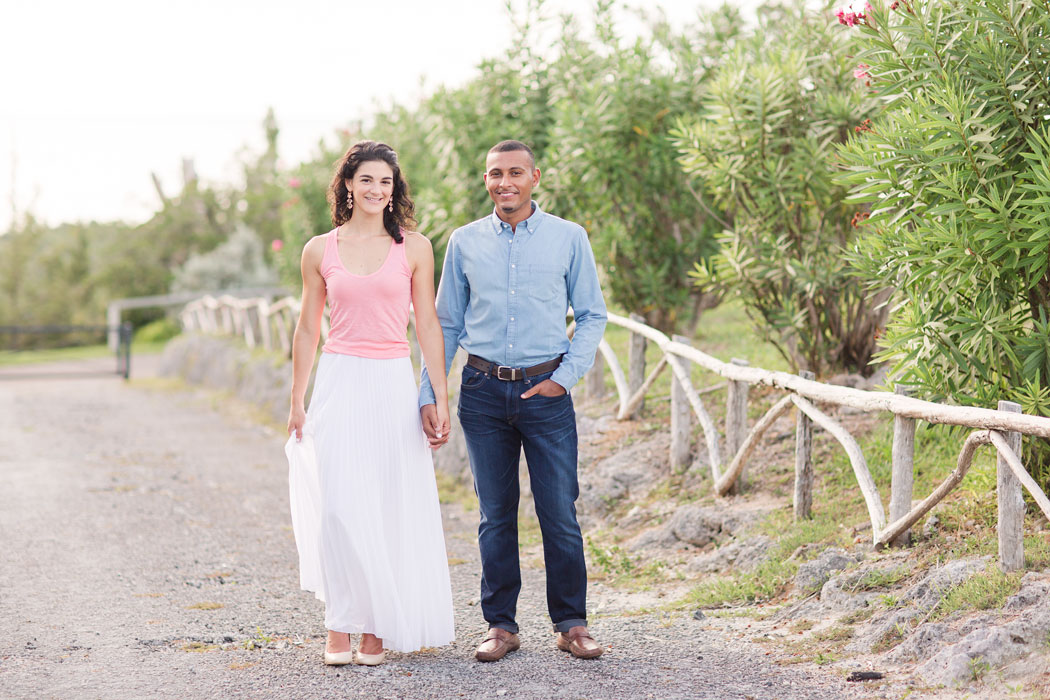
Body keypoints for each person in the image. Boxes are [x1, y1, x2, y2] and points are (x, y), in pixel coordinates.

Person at [419, 140, 608, 661]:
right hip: (481, 392)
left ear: (535, 177)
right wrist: (430, 392)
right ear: (485, 179)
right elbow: (447, 324)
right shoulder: (463, 241)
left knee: (559, 513)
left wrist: (565, 377)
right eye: (496, 173)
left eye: (516, 172)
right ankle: (500, 625)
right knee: (495, 514)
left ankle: (571, 623)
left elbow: (592, 314)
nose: (506, 181)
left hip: (546, 391)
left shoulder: (570, 238)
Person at [285, 140, 454, 667]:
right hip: (338, 381)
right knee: (337, 506)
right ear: (348, 186)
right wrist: (296, 399)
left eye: (386, 181)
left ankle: (376, 627)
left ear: (394, 188)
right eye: (366, 180)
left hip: (390, 382)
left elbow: (427, 323)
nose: (377, 190)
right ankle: (339, 623)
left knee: (384, 503)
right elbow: (308, 326)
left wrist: (440, 395)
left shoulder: (416, 248)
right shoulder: (320, 249)